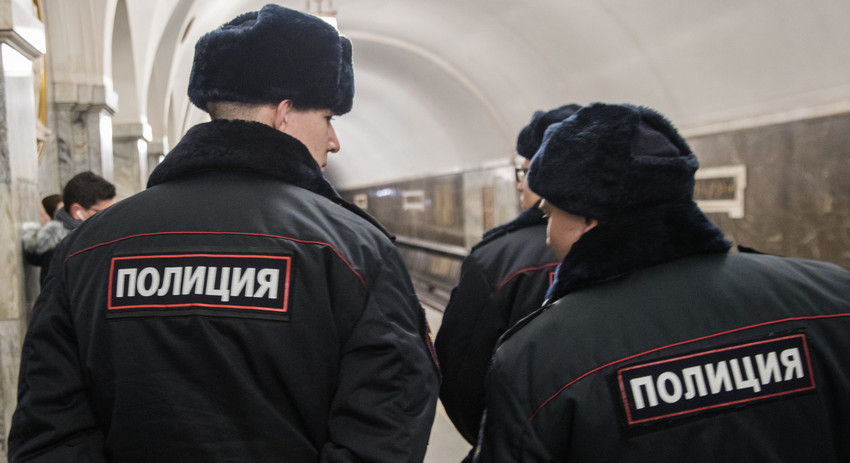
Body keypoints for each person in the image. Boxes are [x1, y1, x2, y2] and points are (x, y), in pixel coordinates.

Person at [9, 5, 439, 462]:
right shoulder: (353, 251)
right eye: (328, 117)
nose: (334, 141)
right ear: (284, 113)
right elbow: (384, 432)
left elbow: (49, 429)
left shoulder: (88, 248)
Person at [475, 103, 850, 462]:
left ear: (588, 218)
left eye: (549, 215)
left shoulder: (541, 356)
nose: (547, 236)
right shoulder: (833, 296)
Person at [435, 104, 580, 446]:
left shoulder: (496, 260)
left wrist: (498, 442)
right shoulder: (635, 251)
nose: (520, 184)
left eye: (526, 171)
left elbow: (458, 375)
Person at [22, 172, 115, 285]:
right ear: (77, 211)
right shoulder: (61, 253)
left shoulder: (97, 241)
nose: (111, 218)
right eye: (104, 212)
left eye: (114, 211)